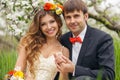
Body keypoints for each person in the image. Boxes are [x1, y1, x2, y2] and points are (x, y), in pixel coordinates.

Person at [54, 0, 115, 80]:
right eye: (68, 17)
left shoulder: (103, 39)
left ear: (86, 16)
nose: (72, 21)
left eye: (76, 16)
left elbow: (108, 74)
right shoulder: (63, 39)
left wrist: (74, 69)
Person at [13, 2, 69, 80]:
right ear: (39, 27)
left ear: (58, 22)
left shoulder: (64, 51)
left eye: (52, 22)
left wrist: (62, 69)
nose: (49, 27)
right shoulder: (29, 43)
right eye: (43, 24)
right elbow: (18, 70)